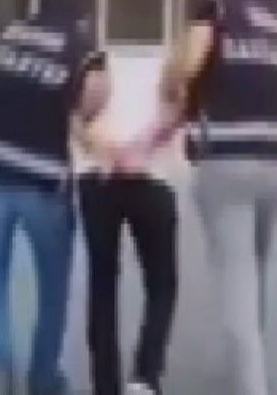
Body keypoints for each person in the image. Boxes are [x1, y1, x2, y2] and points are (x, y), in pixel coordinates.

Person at [154, 0, 277, 395]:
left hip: (228, 153)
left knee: (236, 279)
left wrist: (170, 86)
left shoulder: (217, 3)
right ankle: (246, 368)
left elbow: (190, 61)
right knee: (258, 267)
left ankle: (249, 383)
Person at [0, 0, 113, 395]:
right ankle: (44, 378)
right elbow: (94, 94)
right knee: (53, 286)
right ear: (80, 19)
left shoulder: (6, 33)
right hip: (41, 175)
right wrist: (82, 119)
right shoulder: (79, 44)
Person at [78, 60, 181, 395]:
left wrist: (104, 149)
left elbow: (78, 110)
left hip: (98, 176)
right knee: (161, 283)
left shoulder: (93, 55)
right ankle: (145, 377)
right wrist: (140, 147)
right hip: (151, 177)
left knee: (102, 282)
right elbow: (176, 109)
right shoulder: (173, 56)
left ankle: (105, 384)